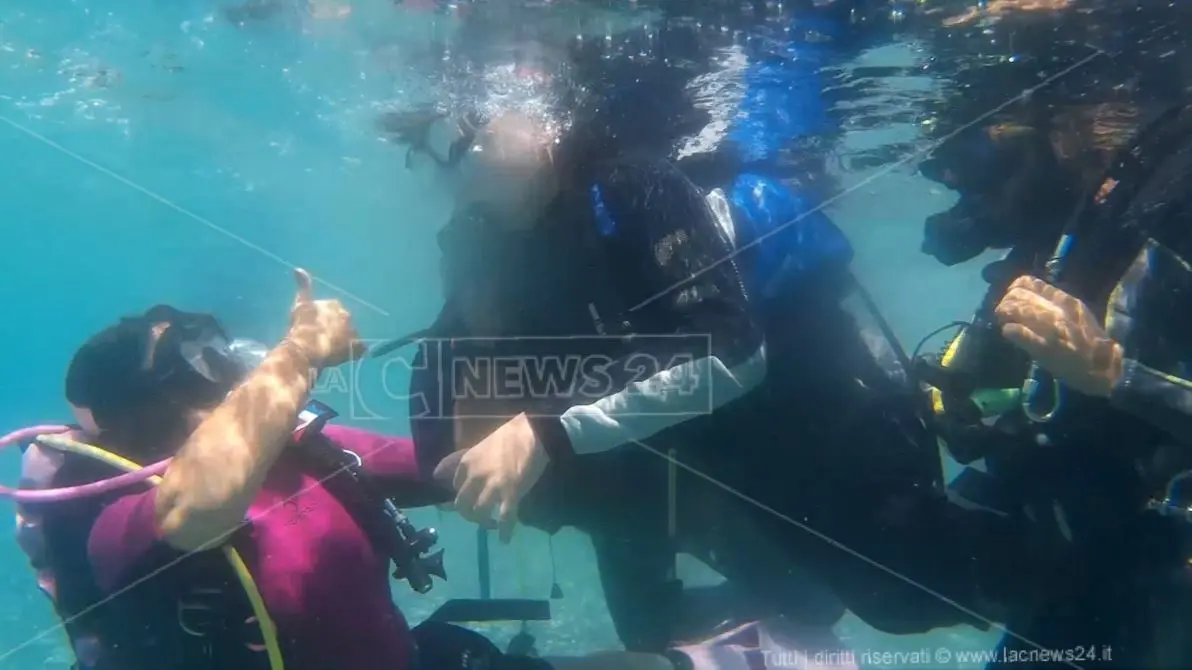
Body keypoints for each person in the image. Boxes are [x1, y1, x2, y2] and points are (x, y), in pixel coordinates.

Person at [378, 102, 1031, 655]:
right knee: (652, 631)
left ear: (541, 122)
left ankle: (1071, 557)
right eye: (429, 151)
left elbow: (732, 354)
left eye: (466, 133)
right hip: (662, 460)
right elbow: (444, 367)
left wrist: (540, 433)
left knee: (902, 599)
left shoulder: (634, 185)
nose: (452, 161)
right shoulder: (480, 248)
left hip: (793, 413)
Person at [917, 104, 1192, 667]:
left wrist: (1116, 375)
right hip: (1081, 559)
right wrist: (984, 418)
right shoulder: (1082, 227)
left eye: (1001, 156)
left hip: (1159, 567)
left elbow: (1107, 381)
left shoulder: (1165, 220)